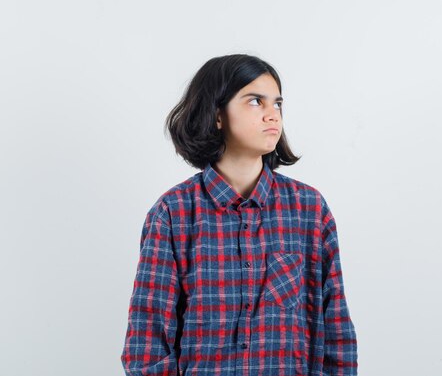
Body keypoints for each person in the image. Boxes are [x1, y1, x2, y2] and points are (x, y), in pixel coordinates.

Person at [120, 54, 358, 376]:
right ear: (218, 115)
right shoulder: (172, 215)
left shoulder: (309, 211)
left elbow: (336, 333)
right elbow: (147, 343)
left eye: (277, 104)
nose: (272, 115)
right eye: (256, 102)